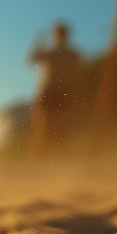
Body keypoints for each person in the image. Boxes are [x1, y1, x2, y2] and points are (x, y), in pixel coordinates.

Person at [29, 22, 80, 154]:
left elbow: (77, 72)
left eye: (62, 34)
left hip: (61, 92)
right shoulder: (50, 52)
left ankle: (57, 159)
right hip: (47, 91)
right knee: (44, 127)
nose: (60, 36)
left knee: (60, 128)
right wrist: (36, 43)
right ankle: (40, 160)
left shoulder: (71, 54)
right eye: (58, 33)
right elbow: (31, 60)